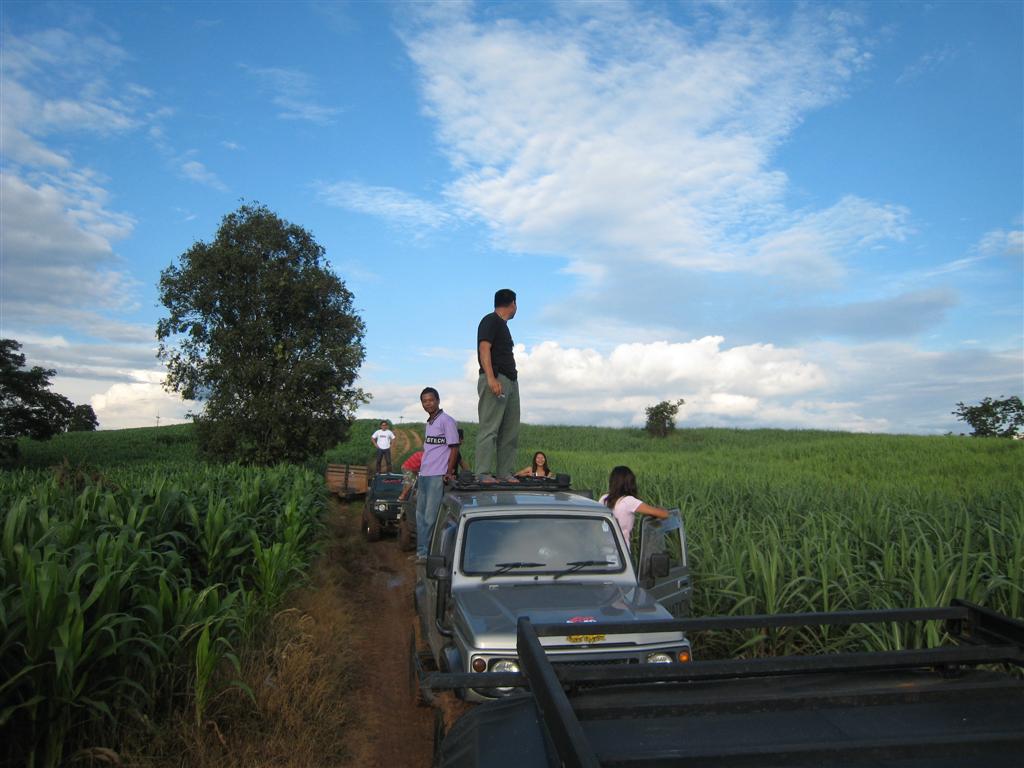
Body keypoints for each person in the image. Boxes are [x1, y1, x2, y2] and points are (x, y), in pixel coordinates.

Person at [475, 288, 520, 481]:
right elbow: (484, 348)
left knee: (510, 430)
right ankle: (483, 473)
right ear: (513, 304)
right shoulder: (490, 320)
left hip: (510, 381)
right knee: (490, 427)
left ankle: (504, 472)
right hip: (496, 377)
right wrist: (491, 378)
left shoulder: (503, 326)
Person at [414, 387, 459, 561]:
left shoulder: (446, 421)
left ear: (438, 400)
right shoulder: (429, 423)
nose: (428, 404)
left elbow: (454, 448)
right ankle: (421, 551)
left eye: (431, 400)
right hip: (424, 474)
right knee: (420, 516)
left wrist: (449, 471)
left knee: (430, 517)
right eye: (424, 401)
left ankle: (427, 555)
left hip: (437, 475)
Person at [599, 466, 669, 551]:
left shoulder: (603, 499)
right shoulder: (628, 501)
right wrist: (661, 509)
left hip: (603, 550)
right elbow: (664, 514)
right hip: (620, 552)